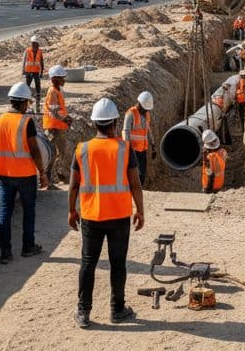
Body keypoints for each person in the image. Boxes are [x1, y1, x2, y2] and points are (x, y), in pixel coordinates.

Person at [69, 98, 145, 329]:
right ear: (114, 122)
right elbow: (135, 183)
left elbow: (73, 185)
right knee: (118, 263)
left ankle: (83, 312)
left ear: (95, 123)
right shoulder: (124, 148)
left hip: (91, 216)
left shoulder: (82, 149)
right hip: (119, 216)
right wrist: (140, 211)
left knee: (88, 263)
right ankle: (117, 309)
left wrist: (72, 211)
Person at [0, 82, 50, 265]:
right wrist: (43, 172)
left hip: (4, 175)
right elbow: (34, 150)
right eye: (28, 103)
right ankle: (28, 247)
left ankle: (5, 253)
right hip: (25, 175)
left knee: (5, 211)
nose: (28, 106)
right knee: (28, 211)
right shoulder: (26, 121)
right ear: (23, 103)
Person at [42, 65, 73, 184]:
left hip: (59, 127)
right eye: (61, 78)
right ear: (54, 79)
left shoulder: (58, 90)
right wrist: (66, 118)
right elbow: (54, 110)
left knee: (64, 151)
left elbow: (59, 110)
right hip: (53, 128)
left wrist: (66, 118)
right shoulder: (52, 92)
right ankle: (46, 179)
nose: (64, 80)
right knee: (50, 153)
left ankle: (63, 174)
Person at [122, 91, 155, 186]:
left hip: (142, 149)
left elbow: (148, 129)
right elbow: (125, 131)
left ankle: (140, 190)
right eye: (145, 108)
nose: (146, 111)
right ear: (140, 104)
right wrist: (127, 148)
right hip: (133, 150)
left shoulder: (146, 114)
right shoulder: (131, 114)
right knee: (134, 174)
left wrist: (153, 145)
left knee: (142, 174)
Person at [201, 129, 226, 194]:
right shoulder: (223, 152)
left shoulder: (210, 157)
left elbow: (210, 175)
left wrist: (208, 190)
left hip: (211, 186)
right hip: (219, 183)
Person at [23, 35, 45, 109]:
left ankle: (38, 101)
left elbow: (41, 61)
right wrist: (23, 72)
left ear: (38, 44)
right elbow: (24, 61)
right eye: (33, 43)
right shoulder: (27, 50)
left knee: (38, 87)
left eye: (35, 43)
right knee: (27, 87)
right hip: (28, 72)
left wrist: (41, 71)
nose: (34, 45)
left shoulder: (40, 51)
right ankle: (26, 101)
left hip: (36, 72)